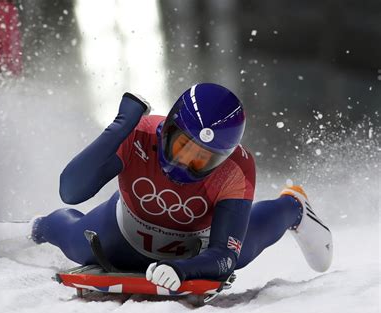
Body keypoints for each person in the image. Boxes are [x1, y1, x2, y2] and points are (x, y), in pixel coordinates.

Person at [31, 83, 333, 291]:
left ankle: (293, 206)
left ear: (222, 160)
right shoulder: (139, 132)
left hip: (196, 243)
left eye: (201, 160)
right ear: (168, 129)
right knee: (75, 241)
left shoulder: (236, 170)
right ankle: (34, 228)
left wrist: (184, 270)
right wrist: (120, 126)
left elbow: (224, 257)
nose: (182, 164)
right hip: (122, 227)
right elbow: (71, 190)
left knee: (241, 253)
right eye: (181, 146)